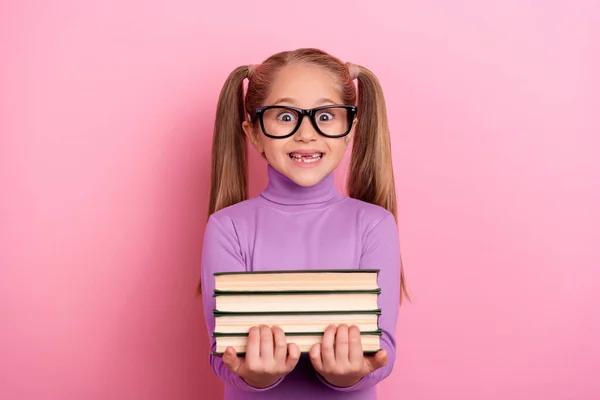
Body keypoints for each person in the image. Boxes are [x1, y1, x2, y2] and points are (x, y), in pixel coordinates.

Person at [199, 48, 407, 399]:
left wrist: (347, 375)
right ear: (253, 133)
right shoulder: (227, 227)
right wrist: (256, 375)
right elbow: (223, 358)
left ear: (350, 129)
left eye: (325, 116)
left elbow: (382, 351)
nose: (306, 133)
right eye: (284, 116)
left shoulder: (375, 224)